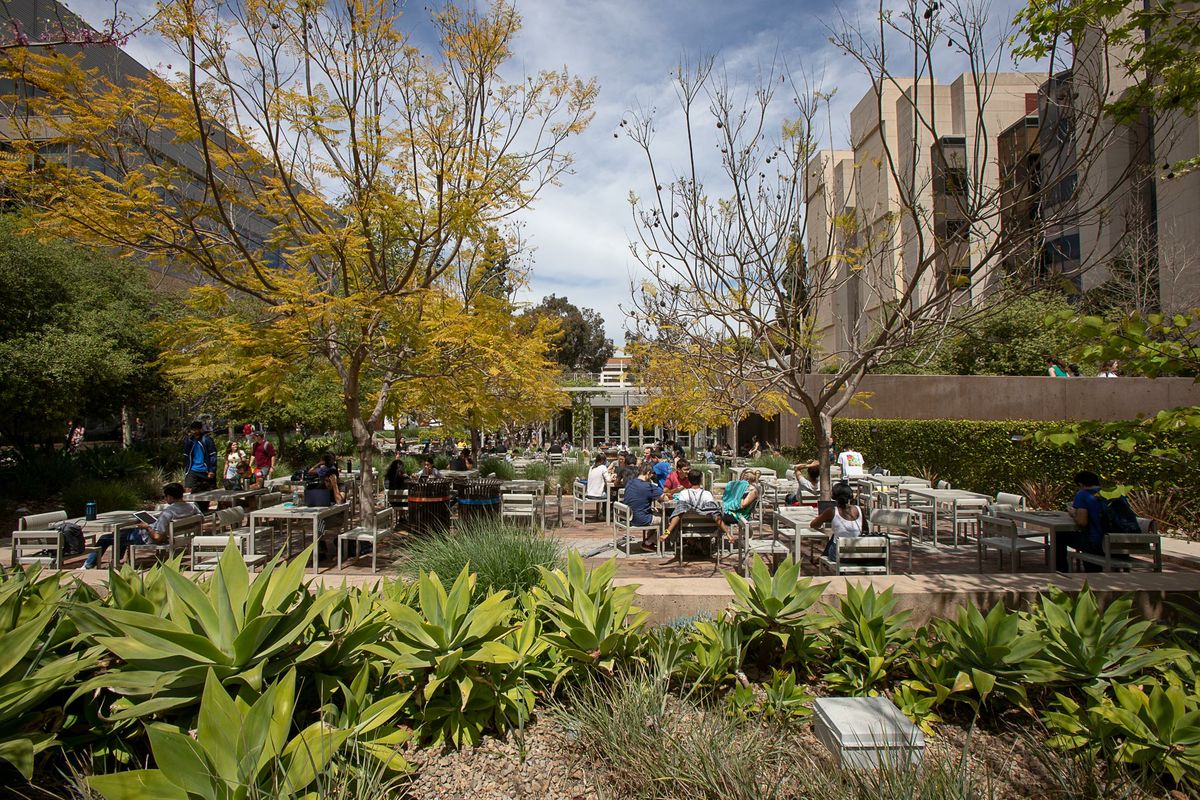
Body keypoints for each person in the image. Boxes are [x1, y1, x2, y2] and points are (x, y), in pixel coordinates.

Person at [82, 482, 199, 569]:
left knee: (105, 538)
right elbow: (201, 518)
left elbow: (157, 537)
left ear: (170, 497)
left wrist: (147, 527)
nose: (165, 498)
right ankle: (117, 560)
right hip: (166, 533)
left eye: (165, 496)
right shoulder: (191, 507)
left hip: (146, 537)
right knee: (119, 534)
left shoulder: (168, 512)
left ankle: (88, 565)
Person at [1058, 470, 1108, 572]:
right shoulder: (1115, 493)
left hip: (1099, 545)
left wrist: (1073, 514)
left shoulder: (1083, 495)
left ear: (1080, 484)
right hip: (1122, 543)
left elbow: (1082, 522)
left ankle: (1061, 571)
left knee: (1060, 535)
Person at [664, 471, 725, 545]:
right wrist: (727, 532)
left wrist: (667, 532)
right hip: (707, 528)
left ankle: (667, 533)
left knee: (678, 513)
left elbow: (678, 513)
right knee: (715, 512)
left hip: (687, 529)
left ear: (689, 481)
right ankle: (703, 544)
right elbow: (716, 515)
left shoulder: (684, 493)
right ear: (701, 480)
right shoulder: (707, 494)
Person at [809, 481, 863, 560]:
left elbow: (813, 524)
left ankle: (823, 556)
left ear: (834, 496)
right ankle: (823, 556)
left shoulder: (832, 511)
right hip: (857, 552)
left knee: (836, 537)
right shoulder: (858, 509)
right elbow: (865, 529)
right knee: (836, 535)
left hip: (838, 554)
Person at [622, 463, 664, 548]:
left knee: (656, 514)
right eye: (651, 474)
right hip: (641, 519)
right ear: (648, 473)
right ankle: (650, 541)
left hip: (629, 517)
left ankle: (650, 538)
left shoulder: (630, 482)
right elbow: (664, 497)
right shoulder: (648, 486)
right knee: (668, 521)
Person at [183, 421, 217, 493]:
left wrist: (212, 470)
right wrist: (186, 469)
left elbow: (212, 455)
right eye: (193, 429)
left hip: (205, 470)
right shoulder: (189, 440)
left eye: (196, 429)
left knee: (210, 492)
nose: (194, 431)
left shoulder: (207, 439)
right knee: (188, 490)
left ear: (200, 429)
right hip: (192, 469)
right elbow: (186, 455)